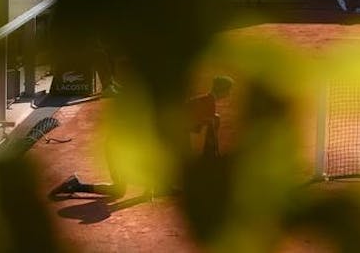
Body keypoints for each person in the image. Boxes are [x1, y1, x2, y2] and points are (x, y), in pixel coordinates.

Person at [49, 76, 235, 199]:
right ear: (224, 91)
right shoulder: (204, 107)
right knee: (119, 191)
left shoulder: (206, 105)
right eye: (230, 91)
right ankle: (75, 185)